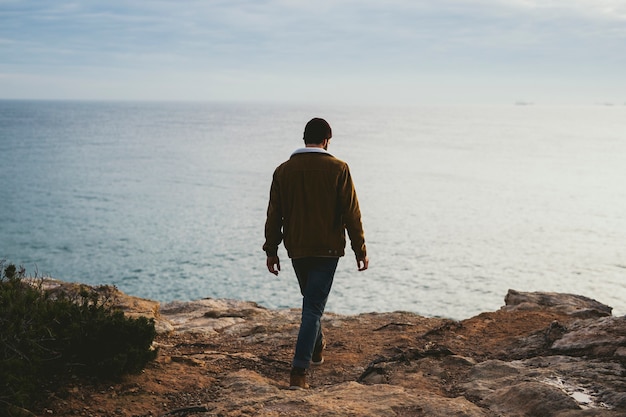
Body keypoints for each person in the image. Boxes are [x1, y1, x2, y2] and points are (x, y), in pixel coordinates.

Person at [263, 117, 369, 389]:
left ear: (305, 139)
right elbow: (351, 213)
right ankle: (299, 371)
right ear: (326, 141)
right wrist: (360, 249)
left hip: (297, 248)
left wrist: (271, 249)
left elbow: (274, 214)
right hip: (327, 249)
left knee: (311, 302)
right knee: (312, 307)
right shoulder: (339, 168)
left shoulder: (283, 171)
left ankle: (317, 347)